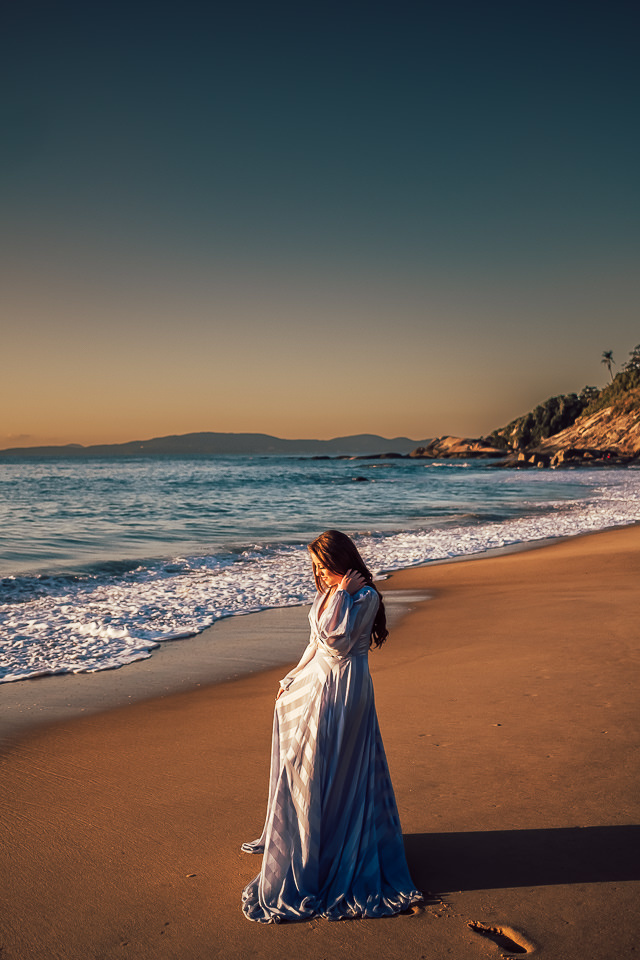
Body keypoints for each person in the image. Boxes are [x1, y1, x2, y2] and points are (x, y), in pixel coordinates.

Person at [241, 529, 422, 922]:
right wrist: (292, 675)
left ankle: (338, 847)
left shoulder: (366, 597)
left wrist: (341, 593)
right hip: (316, 683)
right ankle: (310, 839)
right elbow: (314, 642)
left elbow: (336, 641)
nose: (320, 575)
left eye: (325, 568)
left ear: (343, 562)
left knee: (339, 767)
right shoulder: (329, 594)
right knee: (303, 762)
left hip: (345, 689)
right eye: (317, 569)